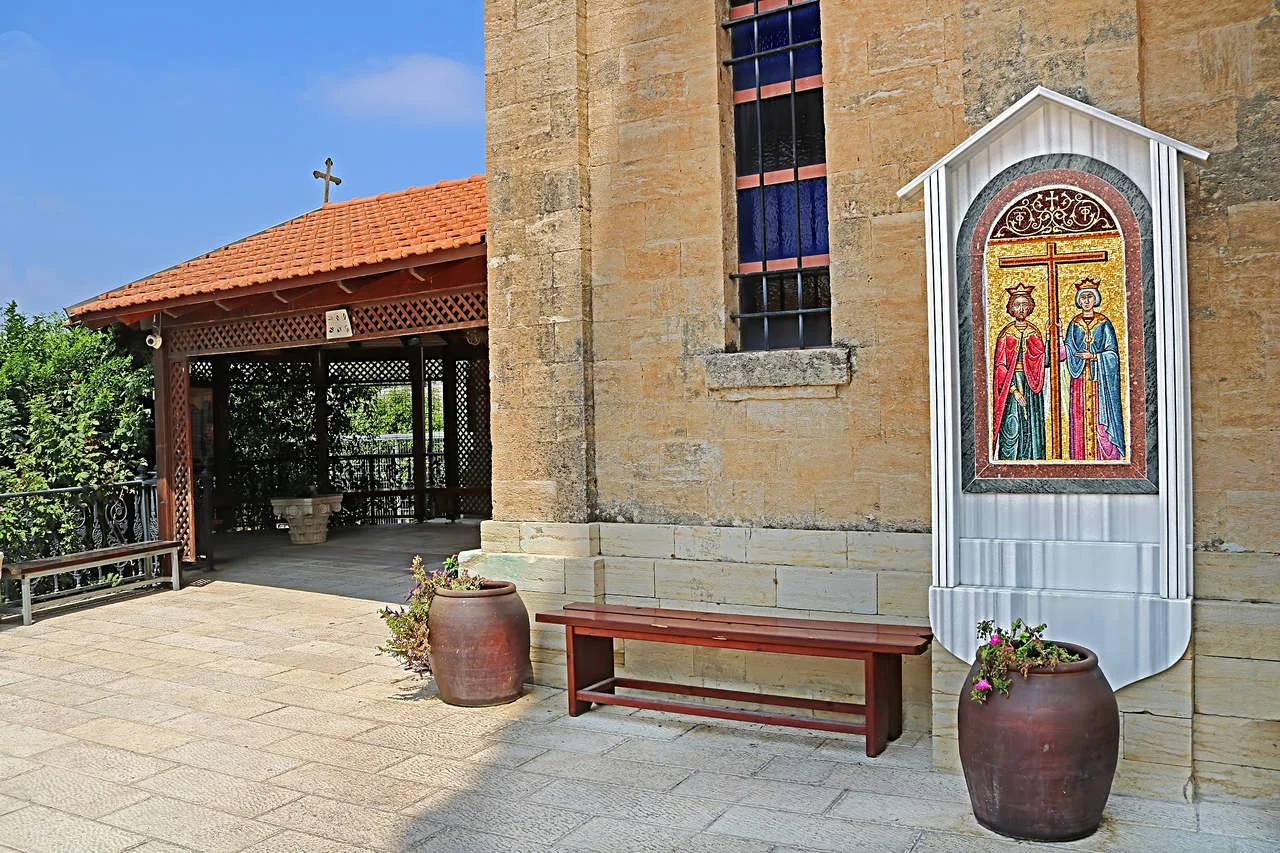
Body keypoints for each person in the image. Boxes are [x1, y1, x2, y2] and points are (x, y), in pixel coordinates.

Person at [1061, 276, 1125, 460]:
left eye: (1089, 297)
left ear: (1095, 298)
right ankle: (1081, 458)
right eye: (1083, 297)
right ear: (1078, 300)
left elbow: (1113, 354)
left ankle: (1106, 458)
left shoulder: (1104, 323)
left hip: (1100, 381)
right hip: (1079, 379)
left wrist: (1095, 356)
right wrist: (1056, 335)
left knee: (1100, 419)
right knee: (1079, 417)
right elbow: (1067, 350)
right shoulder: (1074, 324)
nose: (1086, 301)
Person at [991, 283, 1046, 461]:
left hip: (1031, 386)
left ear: (1029, 307)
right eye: (1017, 305)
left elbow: (1044, 359)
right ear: (1011, 308)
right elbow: (1000, 367)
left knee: (1031, 424)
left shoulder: (1035, 332)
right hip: (1010, 387)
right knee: (1012, 427)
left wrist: (1053, 337)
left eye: (1024, 305)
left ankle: (1031, 459)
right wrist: (1014, 391)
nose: (1021, 309)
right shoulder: (1005, 334)